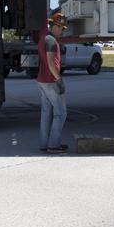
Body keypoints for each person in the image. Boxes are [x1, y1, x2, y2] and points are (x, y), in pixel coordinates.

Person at [37, 12, 68, 154]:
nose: (62, 31)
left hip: (42, 81)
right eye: (61, 28)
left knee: (46, 113)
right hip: (51, 81)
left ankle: (44, 144)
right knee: (61, 113)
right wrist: (59, 79)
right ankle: (53, 145)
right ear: (55, 26)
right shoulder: (51, 40)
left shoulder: (44, 39)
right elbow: (51, 63)